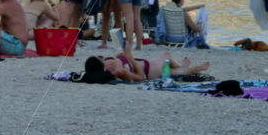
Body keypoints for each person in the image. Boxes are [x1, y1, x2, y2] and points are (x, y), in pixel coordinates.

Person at [80, 42, 210, 83]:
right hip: (150, 70)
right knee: (166, 56)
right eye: (100, 58)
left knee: (176, 71)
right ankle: (189, 67)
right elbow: (141, 78)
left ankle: (187, 67)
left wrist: (120, 55)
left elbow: (120, 58)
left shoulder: (109, 62)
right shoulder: (118, 71)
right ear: (101, 65)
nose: (102, 57)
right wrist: (130, 58)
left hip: (149, 65)